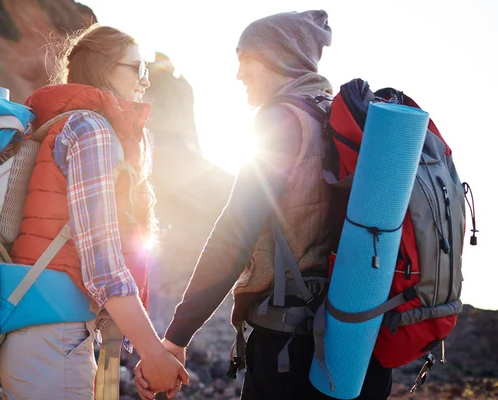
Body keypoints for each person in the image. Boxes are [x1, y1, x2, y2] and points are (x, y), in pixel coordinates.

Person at [135, 10, 393, 400]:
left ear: (276, 57)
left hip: (291, 353)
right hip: (355, 349)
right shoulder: (340, 122)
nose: (238, 73)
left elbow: (234, 235)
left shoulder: (281, 121)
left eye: (244, 58)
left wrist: (176, 336)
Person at [0, 24, 188, 399]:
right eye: (138, 68)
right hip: (54, 337)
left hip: (35, 332)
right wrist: (152, 353)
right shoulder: (92, 130)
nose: (145, 81)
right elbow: (101, 263)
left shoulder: (64, 125)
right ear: (104, 67)